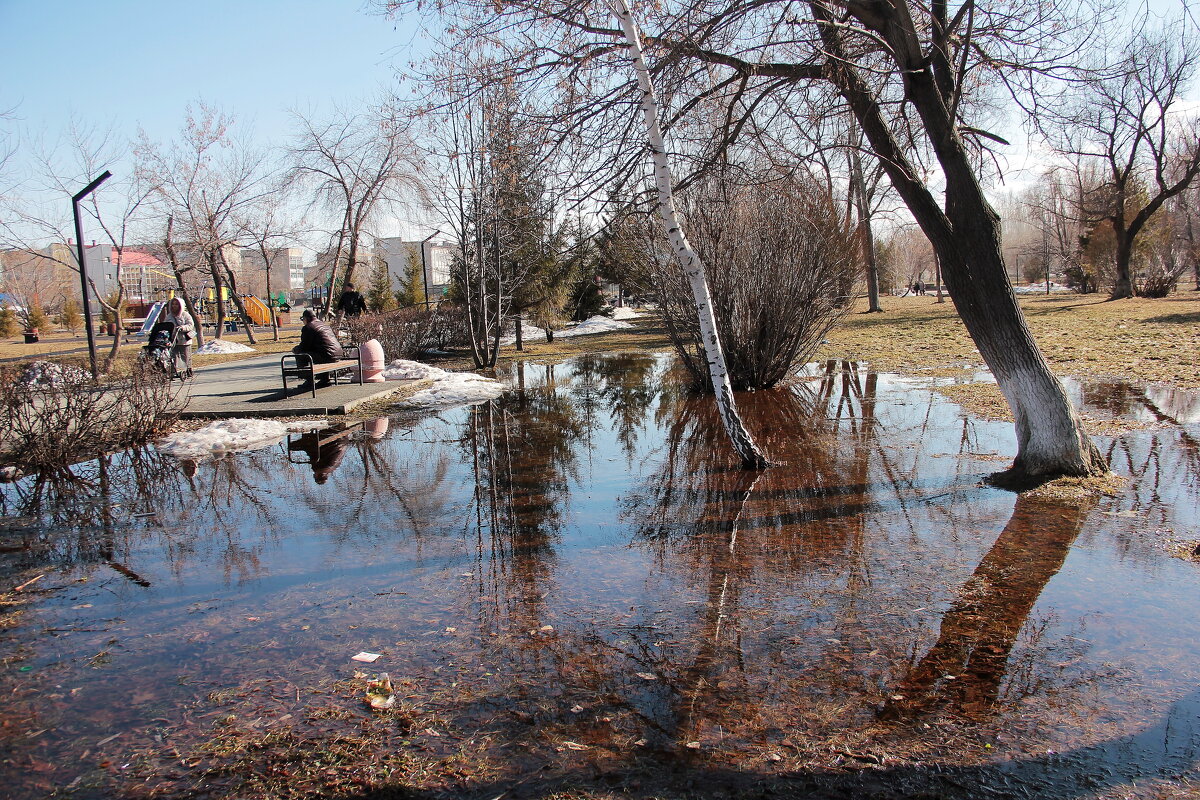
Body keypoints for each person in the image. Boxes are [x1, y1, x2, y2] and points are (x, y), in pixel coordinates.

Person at [293, 309, 344, 385]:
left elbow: (304, 346)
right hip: (338, 353)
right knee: (321, 353)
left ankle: (309, 380)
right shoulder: (323, 325)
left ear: (306, 318)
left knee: (300, 355)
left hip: (327, 355)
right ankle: (324, 379)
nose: (303, 321)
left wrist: (295, 349)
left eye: (302, 319)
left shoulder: (308, 327)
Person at [163, 297, 195, 379]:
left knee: (186, 356)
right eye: (173, 304)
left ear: (180, 305)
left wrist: (183, 327)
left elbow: (190, 325)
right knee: (173, 355)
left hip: (184, 339)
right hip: (173, 339)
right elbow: (165, 325)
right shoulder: (169, 316)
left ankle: (188, 370)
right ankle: (173, 371)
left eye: (176, 304)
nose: (174, 306)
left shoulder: (185, 315)